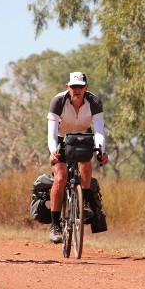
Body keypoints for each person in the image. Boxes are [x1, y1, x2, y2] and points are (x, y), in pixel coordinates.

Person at [47, 71, 109, 243]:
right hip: (61, 140)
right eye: (73, 86)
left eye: (80, 87)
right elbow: (51, 133)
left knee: (86, 164)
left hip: (83, 138)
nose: (77, 90)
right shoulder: (58, 101)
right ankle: (55, 225)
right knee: (60, 178)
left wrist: (101, 151)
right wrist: (53, 151)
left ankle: (85, 202)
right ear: (67, 87)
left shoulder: (94, 102)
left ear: (86, 88)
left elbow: (99, 130)